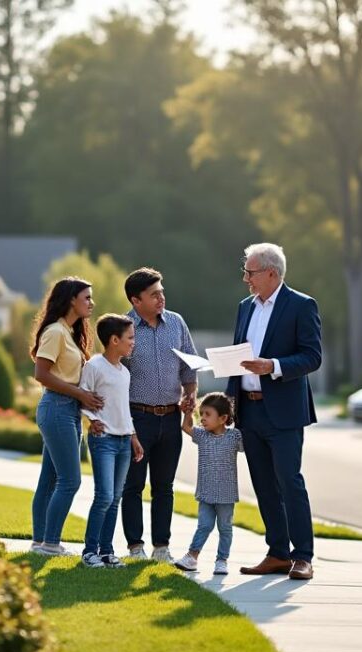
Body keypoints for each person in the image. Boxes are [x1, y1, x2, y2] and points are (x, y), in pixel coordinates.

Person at [228, 243, 322, 581]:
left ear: (271, 273)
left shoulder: (301, 305)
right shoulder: (244, 307)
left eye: (250, 272)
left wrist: (274, 366)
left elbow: (312, 357)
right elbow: (238, 358)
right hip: (249, 412)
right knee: (264, 485)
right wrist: (229, 403)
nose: (245, 279)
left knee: (289, 482)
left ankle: (303, 556)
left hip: (283, 413)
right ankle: (278, 553)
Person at [120, 268, 198, 562]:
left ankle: (161, 547)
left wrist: (190, 394)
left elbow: (189, 365)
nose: (161, 298)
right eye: (154, 294)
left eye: (162, 292)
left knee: (164, 486)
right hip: (136, 418)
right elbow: (114, 376)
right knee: (133, 485)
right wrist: (126, 426)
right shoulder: (123, 327)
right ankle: (135, 547)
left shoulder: (176, 323)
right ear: (135, 300)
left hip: (170, 419)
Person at [30, 277, 103, 556]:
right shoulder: (55, 332)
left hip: (67, 410)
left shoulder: (69, 333)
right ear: (71, 299)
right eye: (86, 297)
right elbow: (42, 374)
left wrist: (83, 402)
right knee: (70, 480)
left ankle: (40, 542)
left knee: (49, 480)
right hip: (57, 409)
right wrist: (81, 395)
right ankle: (50, 543)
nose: (91, 303)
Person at [79, 314, 145, 568]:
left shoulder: (124, 372)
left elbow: (123, 409)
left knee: (115, 498)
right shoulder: (94, 365)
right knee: (104, 496)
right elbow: (83, 396)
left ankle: (106, 551)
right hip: (103, 439)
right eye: (130, 338)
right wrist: (90, 419)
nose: (133, 343)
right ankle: (89, 551)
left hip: (122, 442)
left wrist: (133, 437)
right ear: (114, 340)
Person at [173, 393, 242, 576]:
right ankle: (192, 556)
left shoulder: (234, 436)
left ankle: (221, 560)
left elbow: (248, 446)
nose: (202, 418)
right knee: (204, 525)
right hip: (205, 492)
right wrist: (188, 412)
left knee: (225, 528)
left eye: (207, 414)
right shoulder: (202, 435)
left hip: (226, 494)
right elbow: (186, 427)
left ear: (223, 418)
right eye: (201, 413)